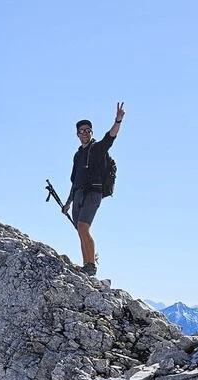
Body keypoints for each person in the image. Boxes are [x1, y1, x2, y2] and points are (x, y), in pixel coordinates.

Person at [62, 102, 124, 276]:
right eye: (81, 131)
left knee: (83, 227)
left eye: (88, 130)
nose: (85, 133)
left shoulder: (97, 148)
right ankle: (87, 265)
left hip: (93, 193)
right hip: (79, 193)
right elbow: (75, 181)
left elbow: (110, 138)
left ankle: (91, 266)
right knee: (80, 229)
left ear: (91, 132)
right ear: (77, 134)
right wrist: (68, 203)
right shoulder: (78, 155)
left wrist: (118, 120)